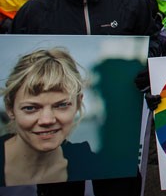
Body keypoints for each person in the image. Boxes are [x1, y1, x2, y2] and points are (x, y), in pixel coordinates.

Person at [10, 0, 158, 196]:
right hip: (54, 138)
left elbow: (151, 46)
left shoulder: (131, 2)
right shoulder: (35, 12)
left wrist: (147, 72)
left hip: (116, 131)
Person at [0, 49, 100, 187]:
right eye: (30, 108)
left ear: (78, 103)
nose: (47, 120)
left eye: (62, 105)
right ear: (10, 108)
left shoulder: (92, 166)